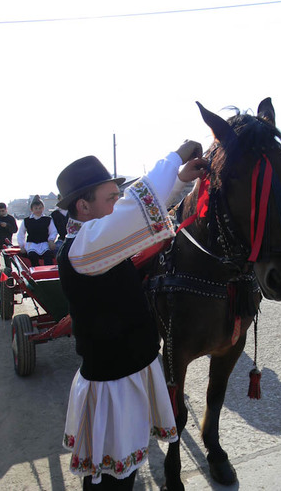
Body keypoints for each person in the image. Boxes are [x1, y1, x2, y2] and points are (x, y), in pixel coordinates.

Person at [56, 141, 207, 490]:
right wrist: (175, 157)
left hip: (125, 374)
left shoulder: (96, 240)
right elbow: (135, 209)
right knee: (112, 482)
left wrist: (180, 179)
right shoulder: (83, 248)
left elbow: (139, 216)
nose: (118, 203)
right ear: (83, 205)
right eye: (111, 198)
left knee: (123, 473)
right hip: (113, 388)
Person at [17, 195, 58, 266]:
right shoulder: (27, 220)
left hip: (44, 244)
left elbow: (53, 231)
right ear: (32, 209)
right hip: (32, 244)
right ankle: (35, 274)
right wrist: (22, 246)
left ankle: (48, 274)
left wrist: (51, 240)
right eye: (36, 208)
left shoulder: (48, 219)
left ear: (43, 208)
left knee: (48, 256)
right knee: (32, 256)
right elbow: (21, 234)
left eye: (40, 208)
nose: (38, 210)